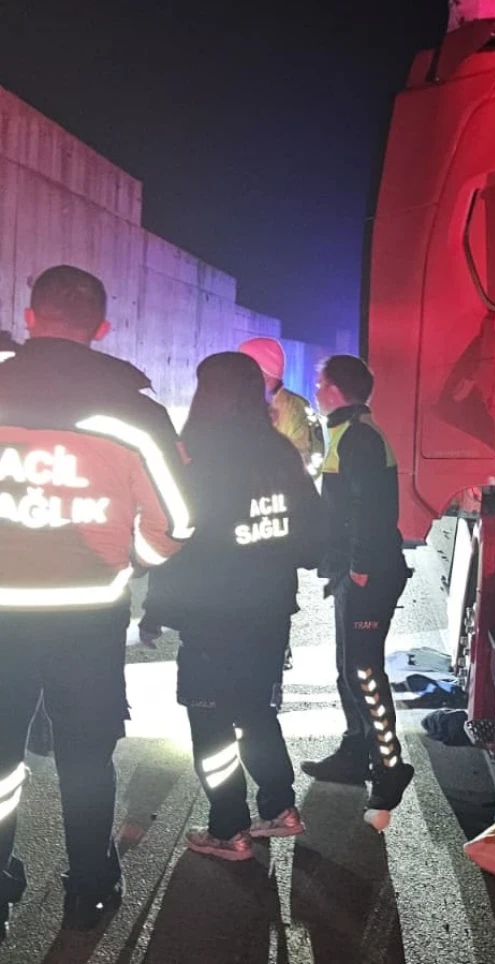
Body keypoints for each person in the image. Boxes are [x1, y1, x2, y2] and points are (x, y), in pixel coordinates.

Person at [0, 266, 189, 940]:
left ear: (29, 316)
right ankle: (90, 889)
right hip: (86, 616)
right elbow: (177, 523)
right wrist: (134, 559)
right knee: (85, 755)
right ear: (101, 328)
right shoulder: (133, 411)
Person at [142, 352, 324, 860]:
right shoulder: (282, 455)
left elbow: (175, 542)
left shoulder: (194, 461)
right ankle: (280, 807)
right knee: (256, 709)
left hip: (212, 616)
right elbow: (313, 542)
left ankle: (228, 828)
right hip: (269, 612)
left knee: (210, 720)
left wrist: (156, 610)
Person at [301, 355, 414, 828]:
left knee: (364, 671)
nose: (316, 388)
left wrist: (361, 566)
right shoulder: (346, 432)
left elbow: (371, 509)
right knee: (347, 667)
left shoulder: (361, 436)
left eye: (321, 382)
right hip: (352, 572)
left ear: (335, 391)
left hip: (370, 572)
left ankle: (390, 767)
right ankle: (354, 751)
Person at [238, 337, 325, 477]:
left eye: (244, 369)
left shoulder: (295, 409)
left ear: (266, 375)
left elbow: (302, 466)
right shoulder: (245, 403)